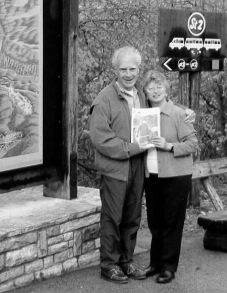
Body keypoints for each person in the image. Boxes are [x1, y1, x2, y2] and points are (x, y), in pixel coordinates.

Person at [89, 46, 151, 284]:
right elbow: (101, 139)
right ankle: (109, 265)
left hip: (137, 166)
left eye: (132, 69)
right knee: (113, 218)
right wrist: (132, 148)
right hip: (115, 168)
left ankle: (126, 261)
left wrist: (184, 113)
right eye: (123, 69)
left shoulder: (141, 96)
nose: (128, 74)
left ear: (138, 69)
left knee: (132, 217)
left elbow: (162, 112)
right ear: (115, 70)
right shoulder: (104, 99)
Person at [141, 70, 198, 284]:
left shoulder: (177, 113)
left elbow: (193, 144)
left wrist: (169, 145)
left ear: (166, 89)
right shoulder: (143, 114)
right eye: (150, 87)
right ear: (145, 91)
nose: (155, 91)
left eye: (159, 87)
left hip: (175, 175)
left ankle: (169, 267)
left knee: (172, 223)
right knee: (155, 222)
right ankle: (155, 263)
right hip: (152, 174)